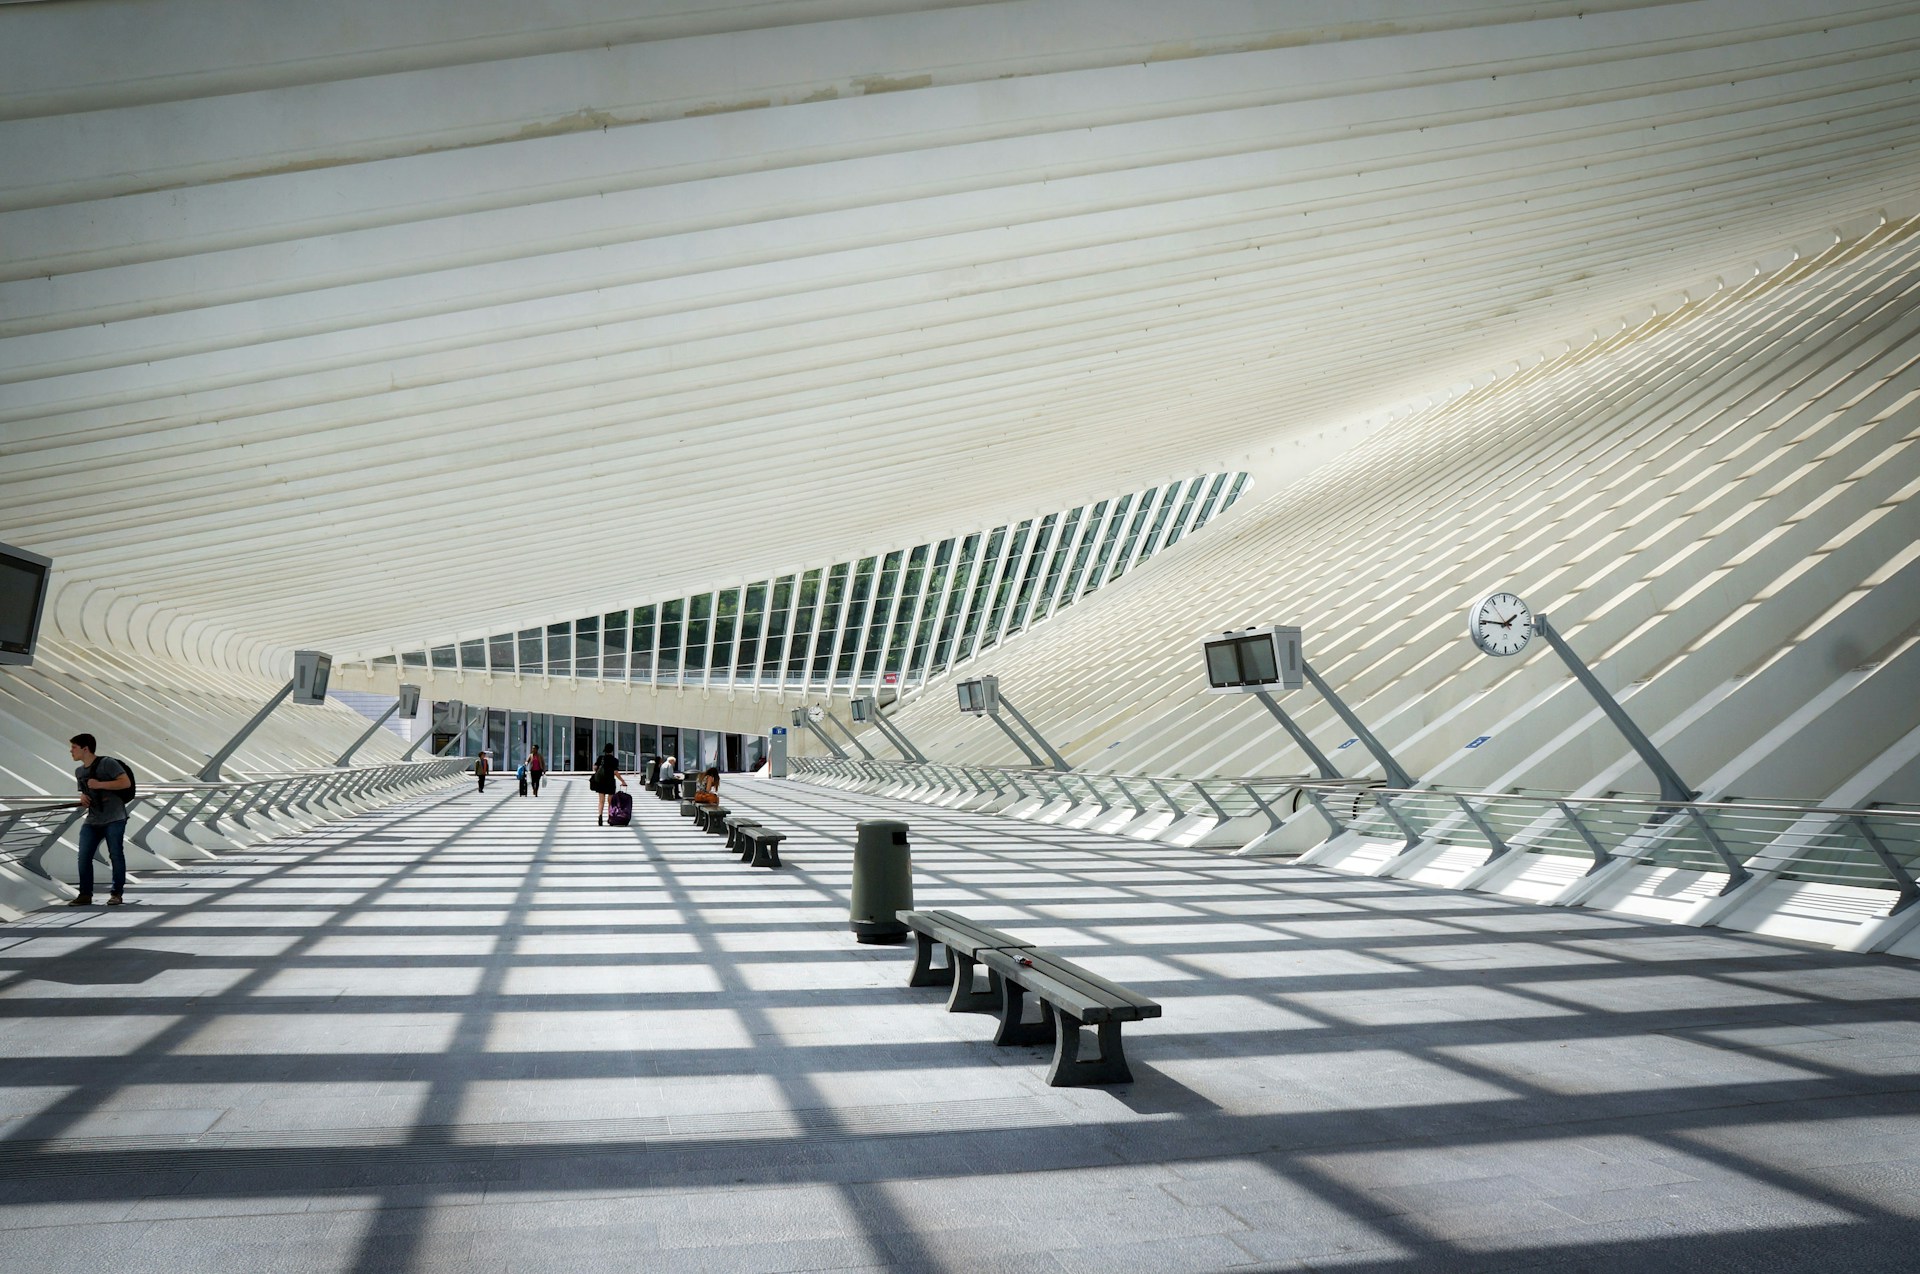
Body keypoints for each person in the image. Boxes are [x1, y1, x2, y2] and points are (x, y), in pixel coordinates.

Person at [68, 734, 133, 907]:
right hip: (93, 819)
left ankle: (116, 894)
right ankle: (85, 895)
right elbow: (86, 790)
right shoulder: (79, 771)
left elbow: (125, 783)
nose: (71, 751)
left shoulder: (108, 763)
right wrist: (83, 796)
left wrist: (100, 785)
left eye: (74, 747)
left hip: (115, 817)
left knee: (116, 854)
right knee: (83, 856)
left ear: (85, 748)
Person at [589, 743, 627, 825]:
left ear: (605, 751)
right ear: (612, 751)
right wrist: (622, 781)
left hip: (601, 781)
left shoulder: (600, 758)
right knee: (610, 802)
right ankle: (610, 817)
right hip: (610, 782)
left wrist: (599, 770)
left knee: (601, 801)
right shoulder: (615, 760)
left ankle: (600, 816)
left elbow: (595, 767)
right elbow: (616, 772)